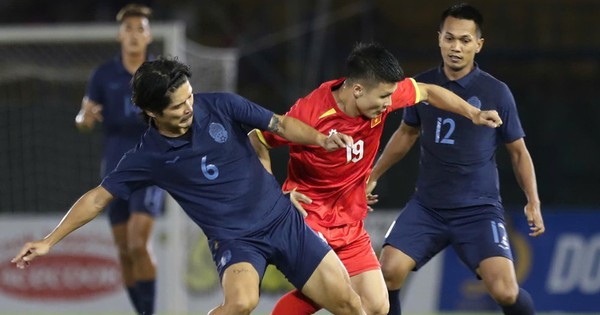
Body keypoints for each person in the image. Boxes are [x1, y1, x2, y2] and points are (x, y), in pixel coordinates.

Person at [12, 57, 367, 315]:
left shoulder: (223, 105)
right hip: (236, 241)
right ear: (152, 111)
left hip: (283, 220)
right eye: (178, 105)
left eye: (190, 97)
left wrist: (322, 139)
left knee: (352, 304)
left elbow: (281, 125)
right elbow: (96, 199)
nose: (189, 107)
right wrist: (49, 241)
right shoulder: (148, 156)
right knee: (242, 303)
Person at [249, 42, 503, 315]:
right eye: (383, 98)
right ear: (357, 89)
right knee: (344, 299)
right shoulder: (310, 113)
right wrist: (273, 197)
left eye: (390, 97)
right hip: (309, 222)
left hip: (349, 223)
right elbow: (257, 138)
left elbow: (428, 91)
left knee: (377, 306)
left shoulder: (382, 94)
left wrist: (473, 113)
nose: (388, 104)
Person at [366, 4, 545, 315]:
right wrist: (374, 173)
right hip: (428, 207)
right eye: (449, 39)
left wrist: (533, 200)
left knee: (505, 291)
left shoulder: (496, 92)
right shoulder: (421, 87)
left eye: (464, 40)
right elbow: (406, 134)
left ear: (479, 44)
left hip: (478, 210)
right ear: (439, 39)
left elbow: (519, 152)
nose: (456, 47)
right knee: (387, 270)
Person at [74, 4, 162, 314]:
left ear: (149, 35)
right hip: (114, 169)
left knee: (139, 244)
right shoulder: (104, 75)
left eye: (141, 29)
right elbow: (84, 118)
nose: (135, 35)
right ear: (119, 35)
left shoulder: (158, 76)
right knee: (124, 250)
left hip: (150, 167)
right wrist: (84, 117)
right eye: (129, 29)